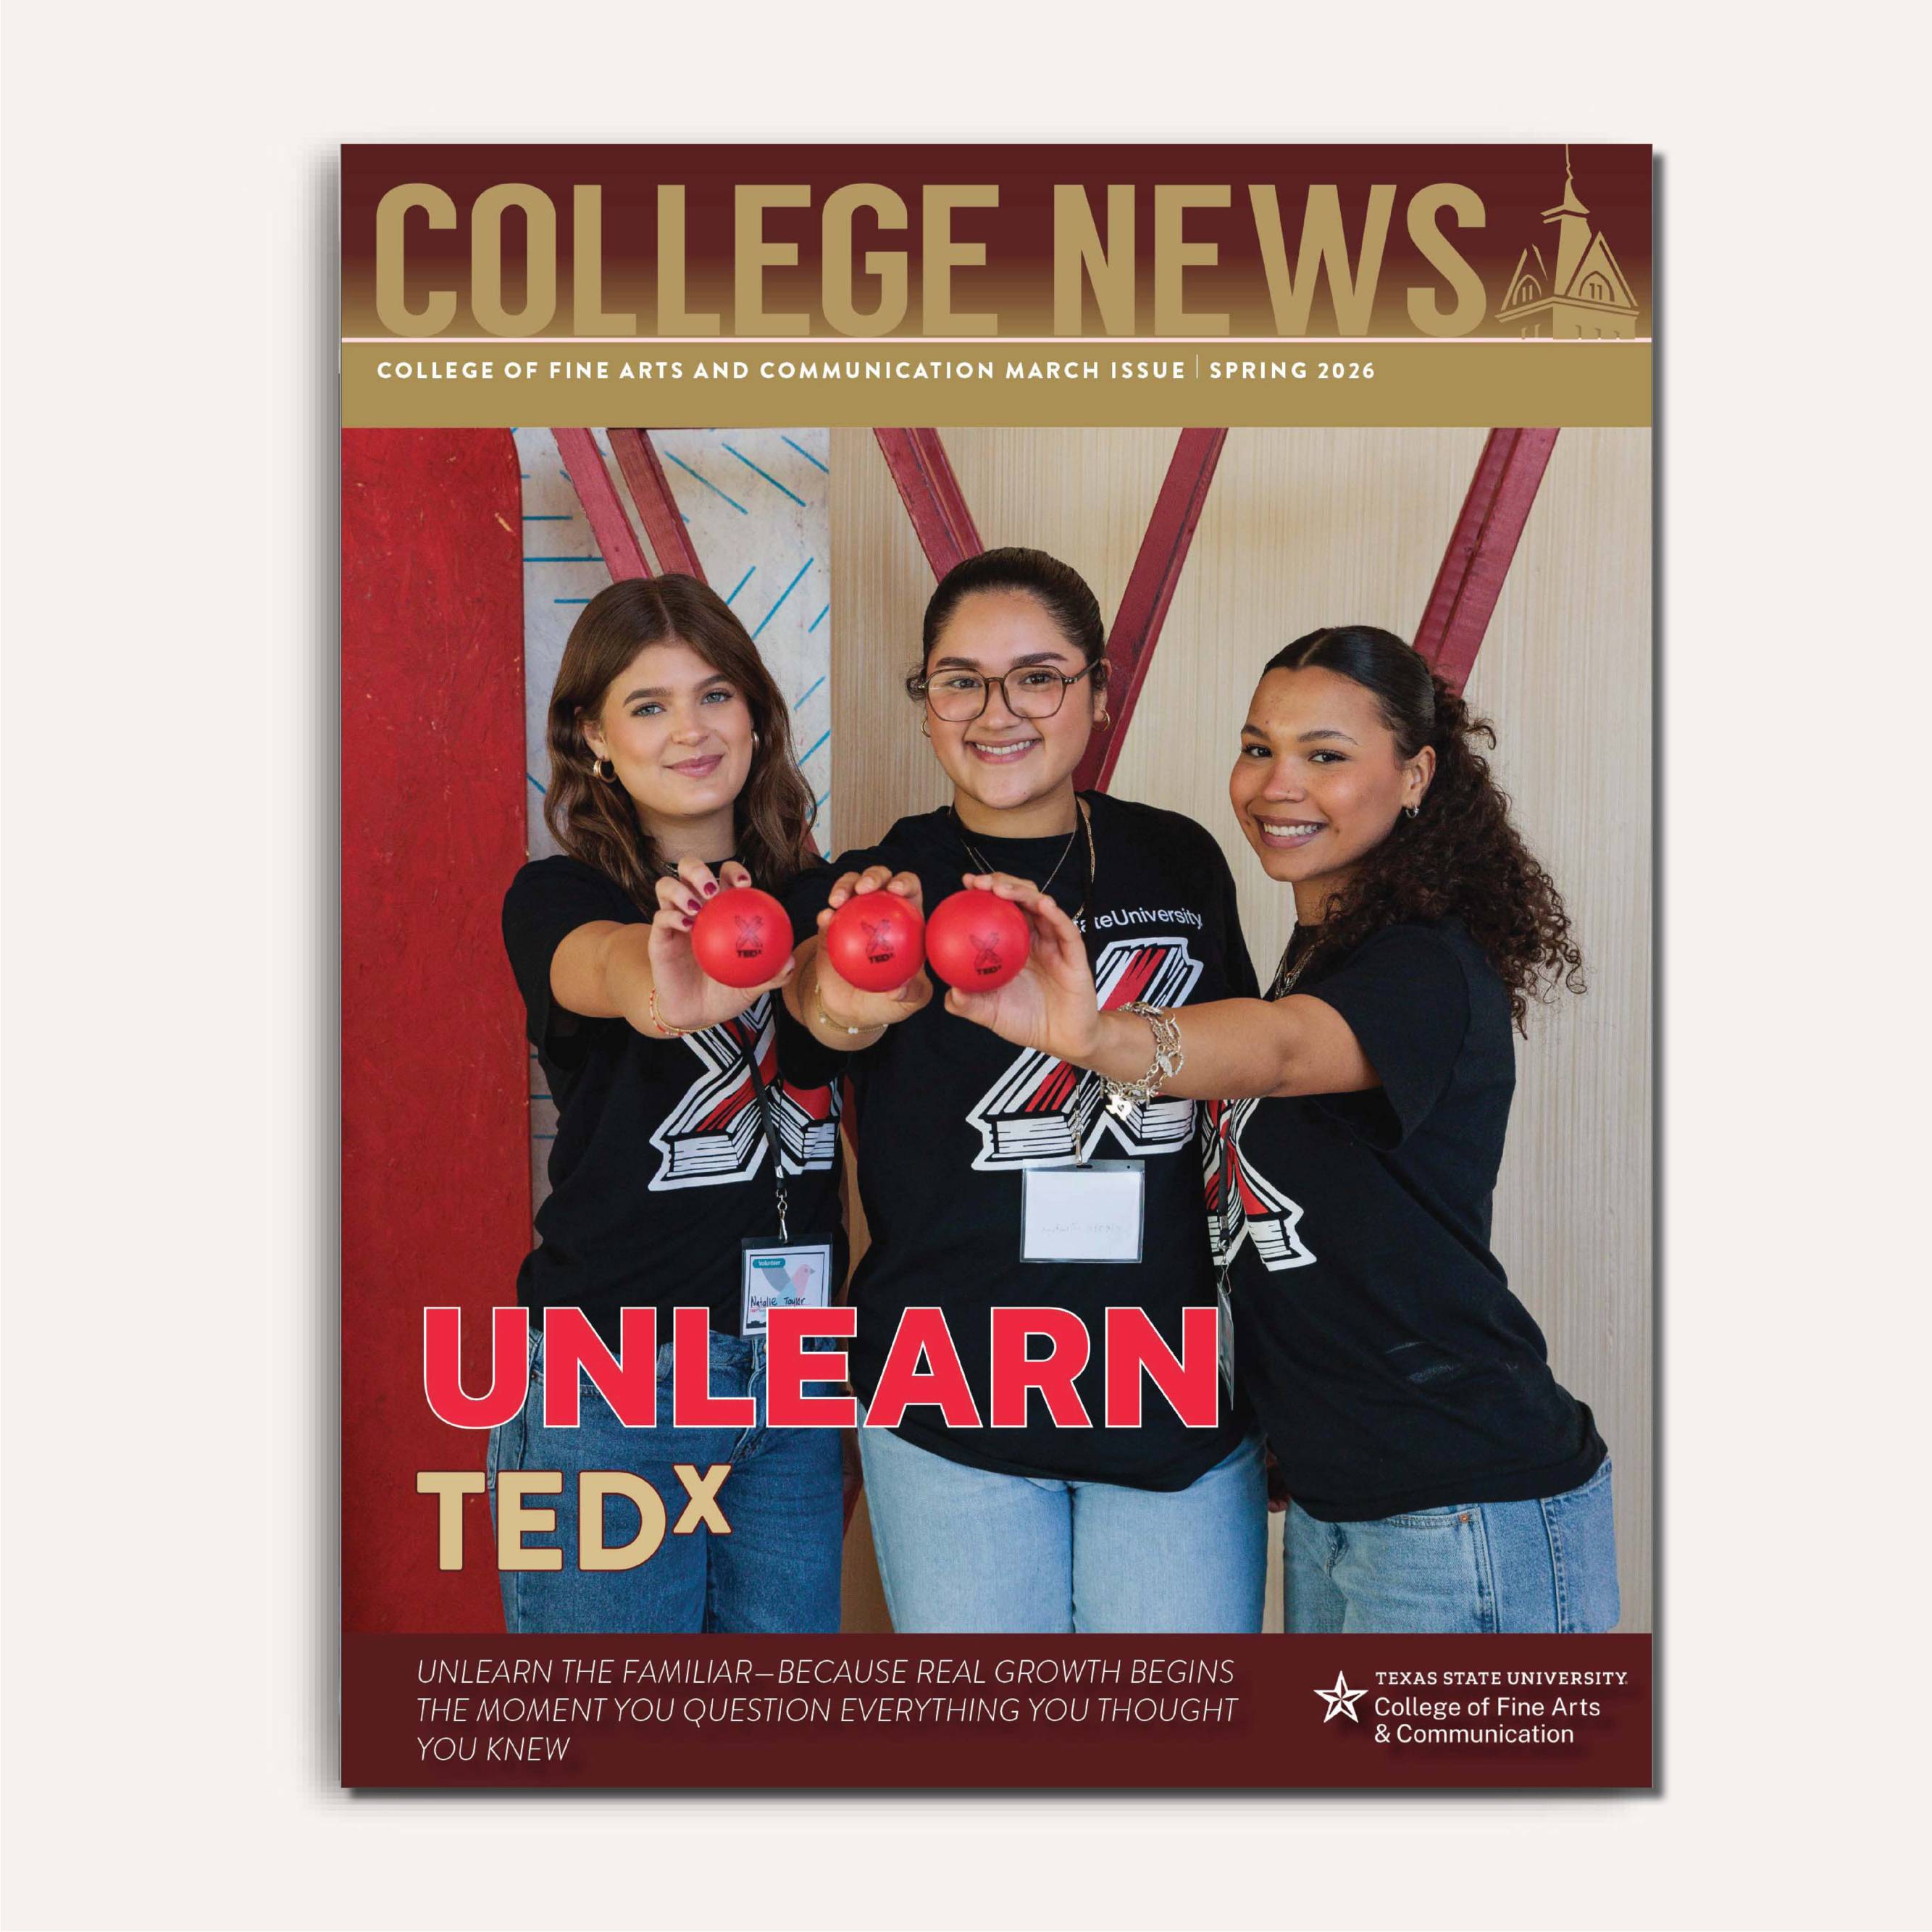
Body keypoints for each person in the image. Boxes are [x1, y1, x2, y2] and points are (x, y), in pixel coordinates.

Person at [945, 624, 1618, 1635]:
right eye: (1259, 748)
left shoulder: (1424, 967)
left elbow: (1285, 1052)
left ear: (1417, 774)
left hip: (1464, 1503)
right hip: (1341, 1505)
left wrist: (1093, 1035)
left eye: (1326, 755)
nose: (1276, 784)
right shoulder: (1321, 952)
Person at [776, 547, 1267, 1634]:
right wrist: (860, 992)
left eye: (1037, 675)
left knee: (1178, 1756)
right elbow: (812, 1037)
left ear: (1097, 688)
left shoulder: (1177, 860)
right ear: (926, 705)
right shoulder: (876, 884)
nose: (997, 711)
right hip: (950, 1386)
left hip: (1163, 1380)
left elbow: (1240, 1086)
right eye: (960, 680)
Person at [492, 574, 845, 1634]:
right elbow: (612, 978)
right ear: (593, 737)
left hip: (795, 1367)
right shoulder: (562, 899)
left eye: (716, 696)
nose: (690, 731)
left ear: (756, 714)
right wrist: (666, 974)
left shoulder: (824, 894)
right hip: (613, 1379)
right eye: (648, 706)